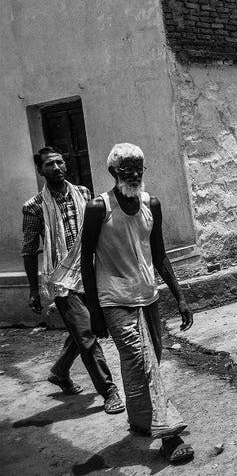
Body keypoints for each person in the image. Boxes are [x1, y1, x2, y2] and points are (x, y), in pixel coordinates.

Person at [79, 143, 195, 464]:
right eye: (126, 168)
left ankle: (140, 420)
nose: (133, 174)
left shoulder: (150, 205)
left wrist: (180, 298)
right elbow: (85, 262)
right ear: (113, 172)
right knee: (141, 360)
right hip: (114, 300)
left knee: (146, 361)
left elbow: (159, 256)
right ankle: (169, 434)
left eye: (138, 168)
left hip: (148, 297)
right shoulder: (98, 208)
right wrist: (94, 312)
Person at [21, 146, 124, 414]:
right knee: (87, 333)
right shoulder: (33, 207)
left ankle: (59, 370)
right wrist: (34, 289)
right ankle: (109, 391)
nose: (56, 168)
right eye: (49, 165)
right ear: (40, 170)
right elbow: (30, 249)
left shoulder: (84, 194)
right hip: (62, 279)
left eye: (59, 162)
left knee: (81, 331)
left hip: (90, 271)